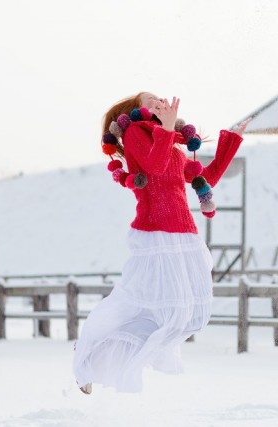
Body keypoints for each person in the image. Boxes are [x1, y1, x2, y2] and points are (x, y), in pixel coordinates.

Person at [73, 93, 246, 394]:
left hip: (183, 235)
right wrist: (166, 130)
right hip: (155, 234)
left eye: (159, 98)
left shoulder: (172, 143)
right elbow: (153, 167)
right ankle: (89, 348)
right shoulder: (135, 132)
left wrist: (231, 139)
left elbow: (207, 178)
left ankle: (100, 355)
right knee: (136, 303)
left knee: (188, 317)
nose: (157, 102)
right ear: (136, 110)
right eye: (149, 100)